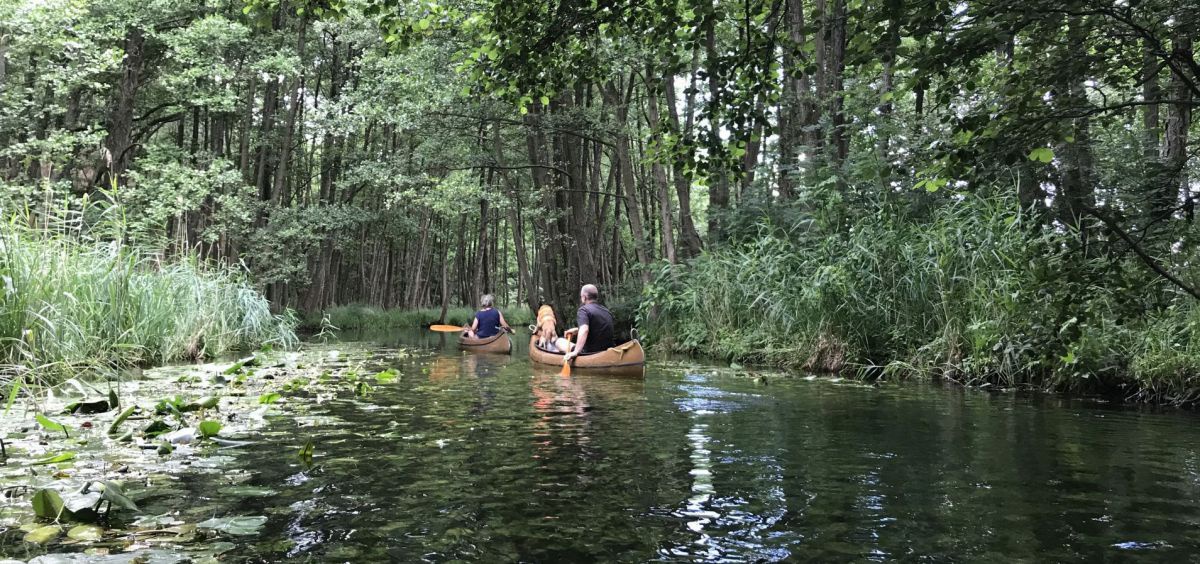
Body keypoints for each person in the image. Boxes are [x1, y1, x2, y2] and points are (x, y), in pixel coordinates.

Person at [555, 284, 615, 362]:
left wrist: (576, 352)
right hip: (607, 352)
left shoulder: (583, 310)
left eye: (581, 297)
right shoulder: (606, 311)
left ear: (584, 297)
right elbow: (597, 327)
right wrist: (577, 330)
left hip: (589, 353)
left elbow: (585, 330)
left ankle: (564, 358)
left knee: (559, 341)